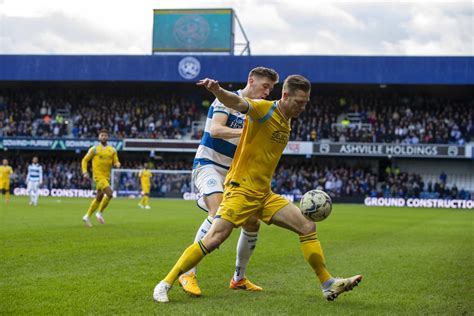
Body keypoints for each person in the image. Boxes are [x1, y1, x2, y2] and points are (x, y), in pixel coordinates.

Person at [154, 75, 362, 303]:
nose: (303, 107)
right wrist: (217, 90)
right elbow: (238, 103)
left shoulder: (287, 118)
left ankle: (328, 284)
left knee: (306, 225)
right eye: (299, 102)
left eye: (306, 103)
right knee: (215, 237)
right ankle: (166, 282)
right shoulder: (264, 109)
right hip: (240, 190)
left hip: (263, 194)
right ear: (285, 96)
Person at [178, 67, 280, 297]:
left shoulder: (258, 111)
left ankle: (239, 278)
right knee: (217, 212)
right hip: (209, 165)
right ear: (251, 81)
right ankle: (187, 273)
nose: (267, 92)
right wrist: (245, 131)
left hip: (235, 175)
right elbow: (215, 130)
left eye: (271, 89)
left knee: (253, 223)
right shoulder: (227, 99)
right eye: (265, 86)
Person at [81, 129, 121, 227]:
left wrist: (117, 164)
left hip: (106, 177)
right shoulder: (94, 149)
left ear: (107, 137)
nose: (103, 137)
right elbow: (84, 160)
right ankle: (99, 213)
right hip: (98, 177)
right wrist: (85, 172)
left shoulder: (112, 150)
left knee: (99, 198)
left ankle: (86, 216)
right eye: (102, 135)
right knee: (110, 194)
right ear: (99, 137)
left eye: (105, 135)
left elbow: (116, 161)